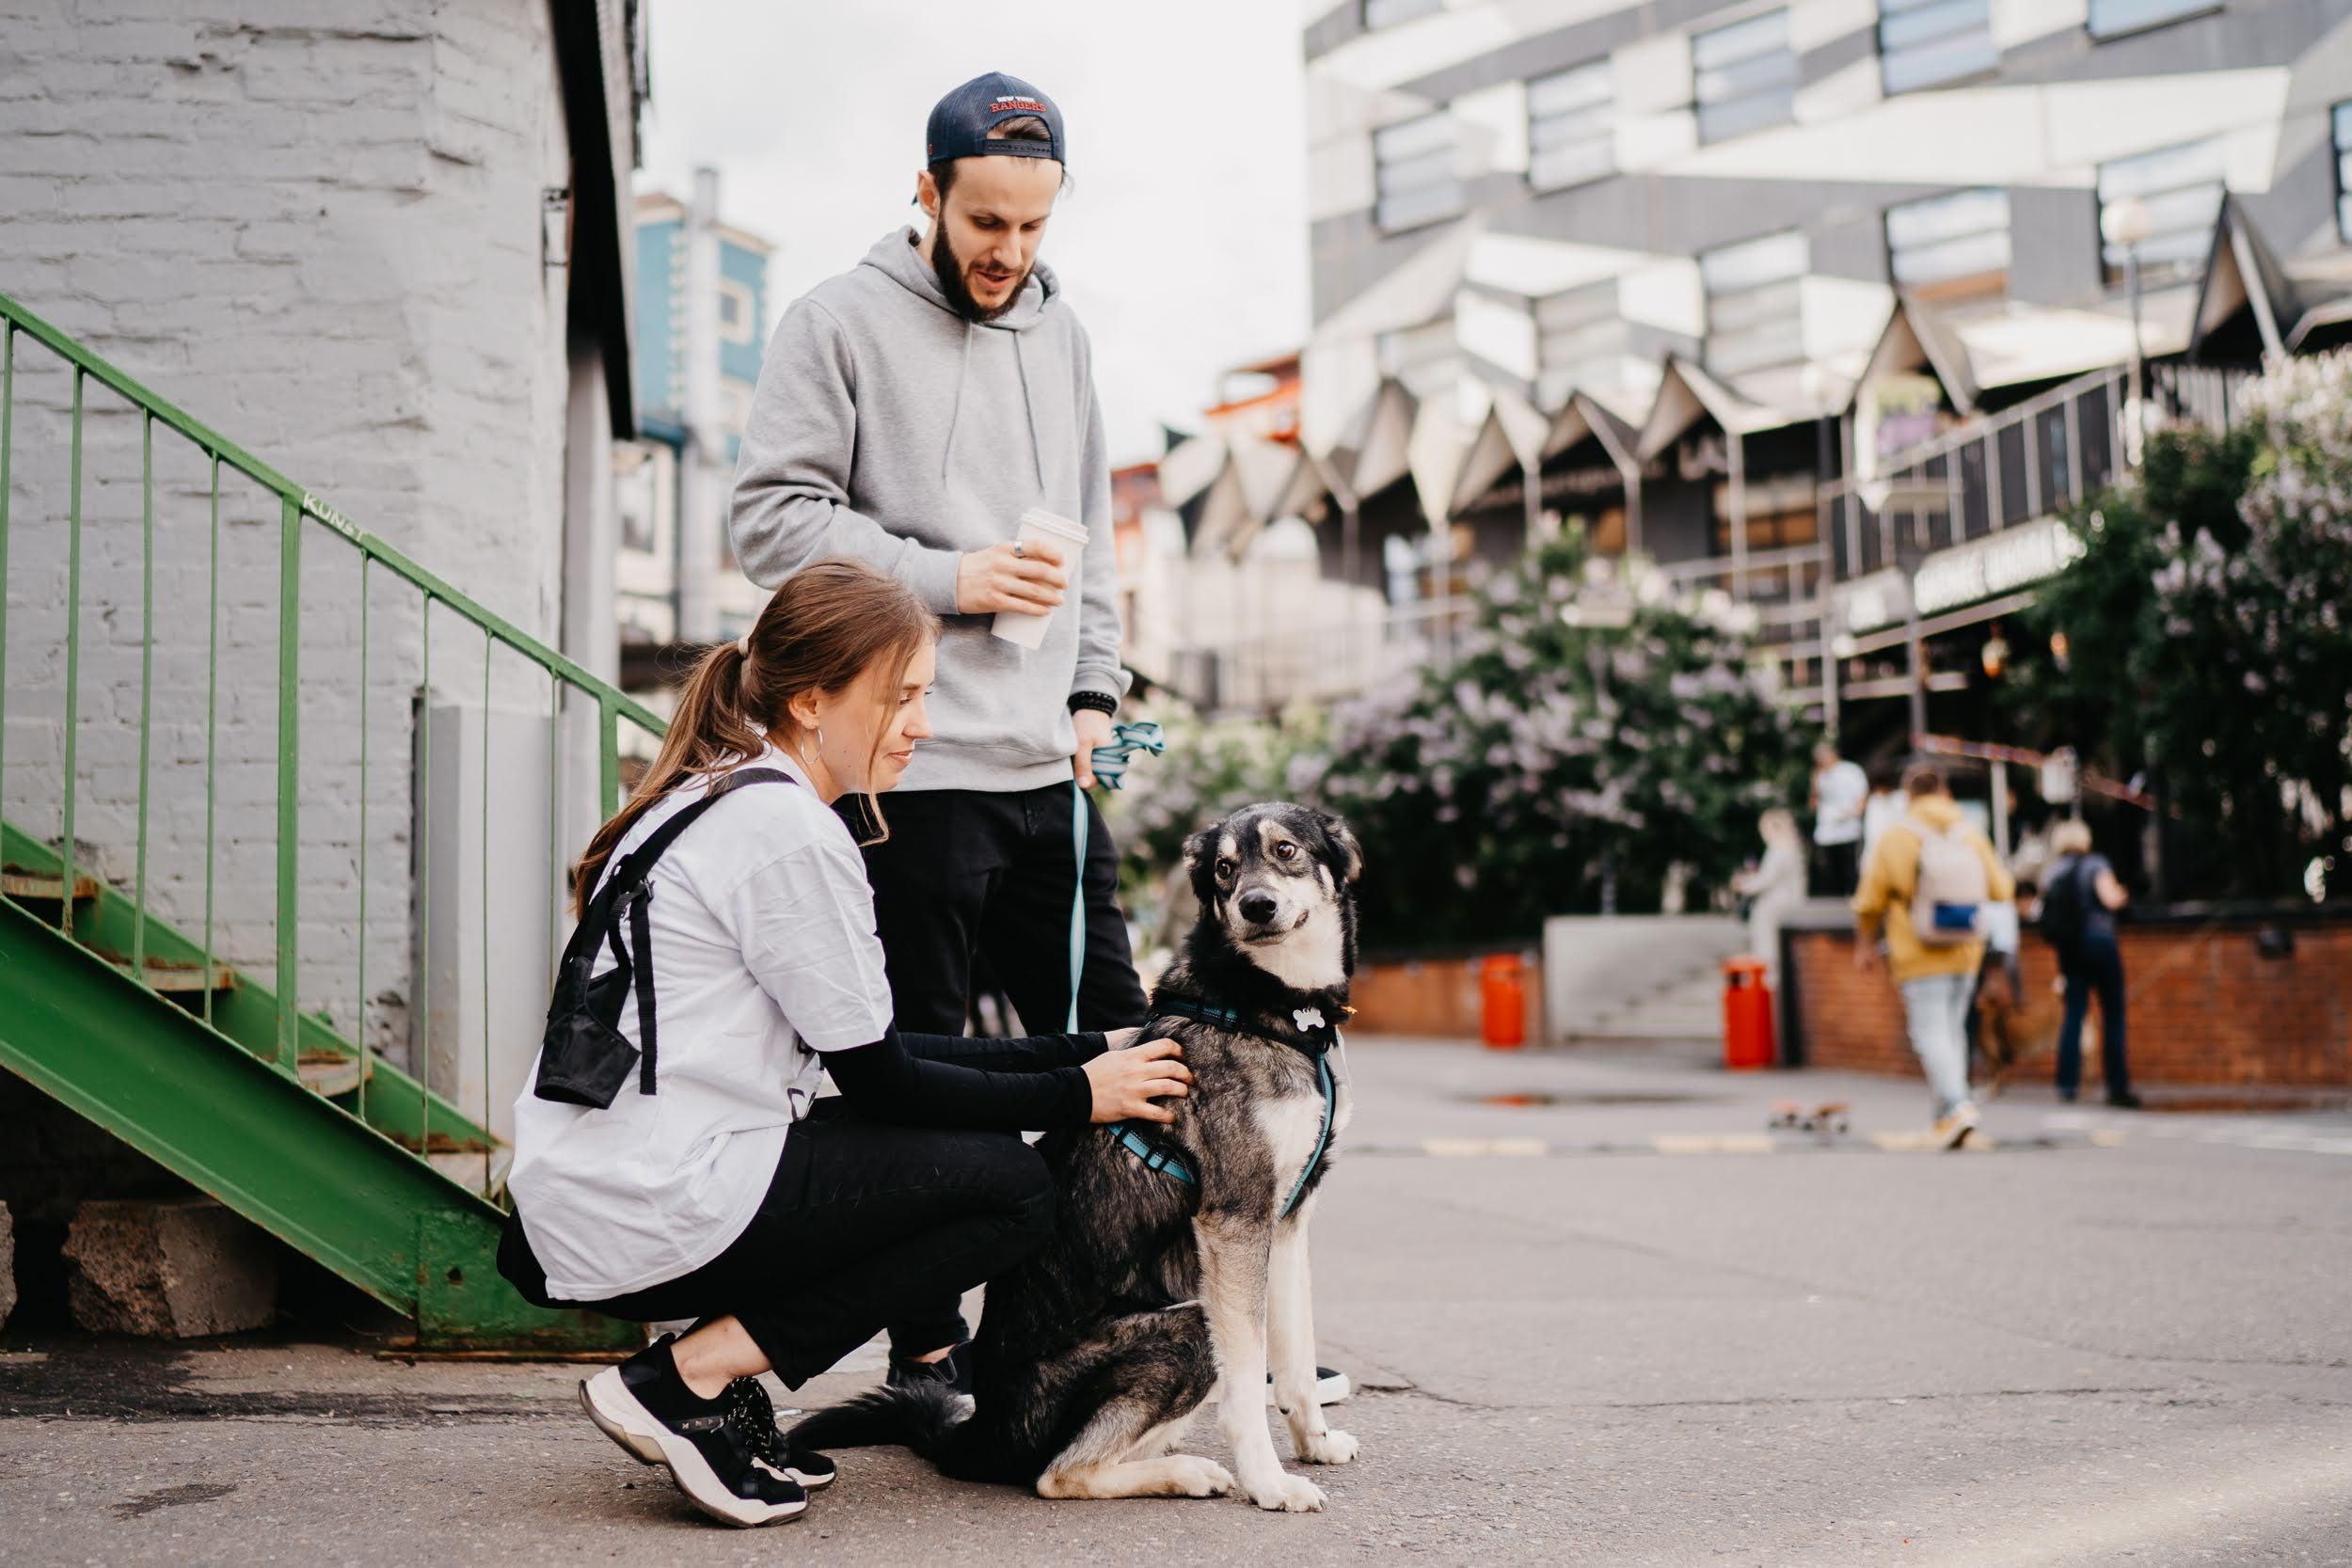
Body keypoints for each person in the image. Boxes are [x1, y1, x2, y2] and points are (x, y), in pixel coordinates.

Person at [728, 72, 1349, 1405]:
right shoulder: (835, 321)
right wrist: (949, 577)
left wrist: (1094, 691)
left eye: (1032, 226)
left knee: (1145, 1051)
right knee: (925, 1061)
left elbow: (1092, 535)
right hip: (912, 773)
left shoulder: (1061, 335)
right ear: (929, 192)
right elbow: (768, 524)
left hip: (1048, 771)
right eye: (985, 222)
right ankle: (929, 1350)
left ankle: (1172, 1317)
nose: (1008, 253)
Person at [498, 562, 1194, 1528]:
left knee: (908, 1155)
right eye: (900, 696)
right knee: (1009, 1188)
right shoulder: (783, 829)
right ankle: (683, 1376)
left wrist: (1089, 1048)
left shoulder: (728, 792)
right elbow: (889, 1080)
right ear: (813, 699)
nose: (921, 722)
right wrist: (1081, 1093)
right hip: (652, 1193)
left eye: (924, 696)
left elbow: (875, 1054)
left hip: (608, 1179)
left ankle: (721, 1386)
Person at [1851, 764, 2016, 1148]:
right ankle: (1946, 1118)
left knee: (1930, 1034)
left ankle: (1958, 1106)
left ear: (1908, 795)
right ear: (1944, 793)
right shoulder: (1969, 833)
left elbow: (1869, 899)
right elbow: (2002, 889)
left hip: (1918, 949)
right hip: (1966, 950)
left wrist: (1864, 944)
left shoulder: (1897, 836)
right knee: (1952, 1032)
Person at [2039, 818, 2139, 1108]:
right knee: (2113, 1014)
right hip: (2099, 943)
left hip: (2069, 950)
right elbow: (2110, 899)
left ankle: (2067, 1084)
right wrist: (2123, 895)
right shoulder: (2096, 864)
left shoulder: (2053, 872)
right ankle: (2117, 1086)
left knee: (2073, 1015)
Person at [1731, 807, 1806, 986]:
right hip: (1790, 906)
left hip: (1773, 908)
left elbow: (1766, 880)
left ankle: (1770, 989)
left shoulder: (1778, 849)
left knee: (1768, 952)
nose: (1763, 834)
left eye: (1764, 829)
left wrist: (1743, 885)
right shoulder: (1793, 848)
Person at [1810, 742, 1868, 895]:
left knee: (1849, 868)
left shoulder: (1850, 771)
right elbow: (1814, 802)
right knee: (1829, 870)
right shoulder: (1820, 775)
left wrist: (1853, 813)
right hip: (1827, 832)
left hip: (1848, 829)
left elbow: (1862, 797)